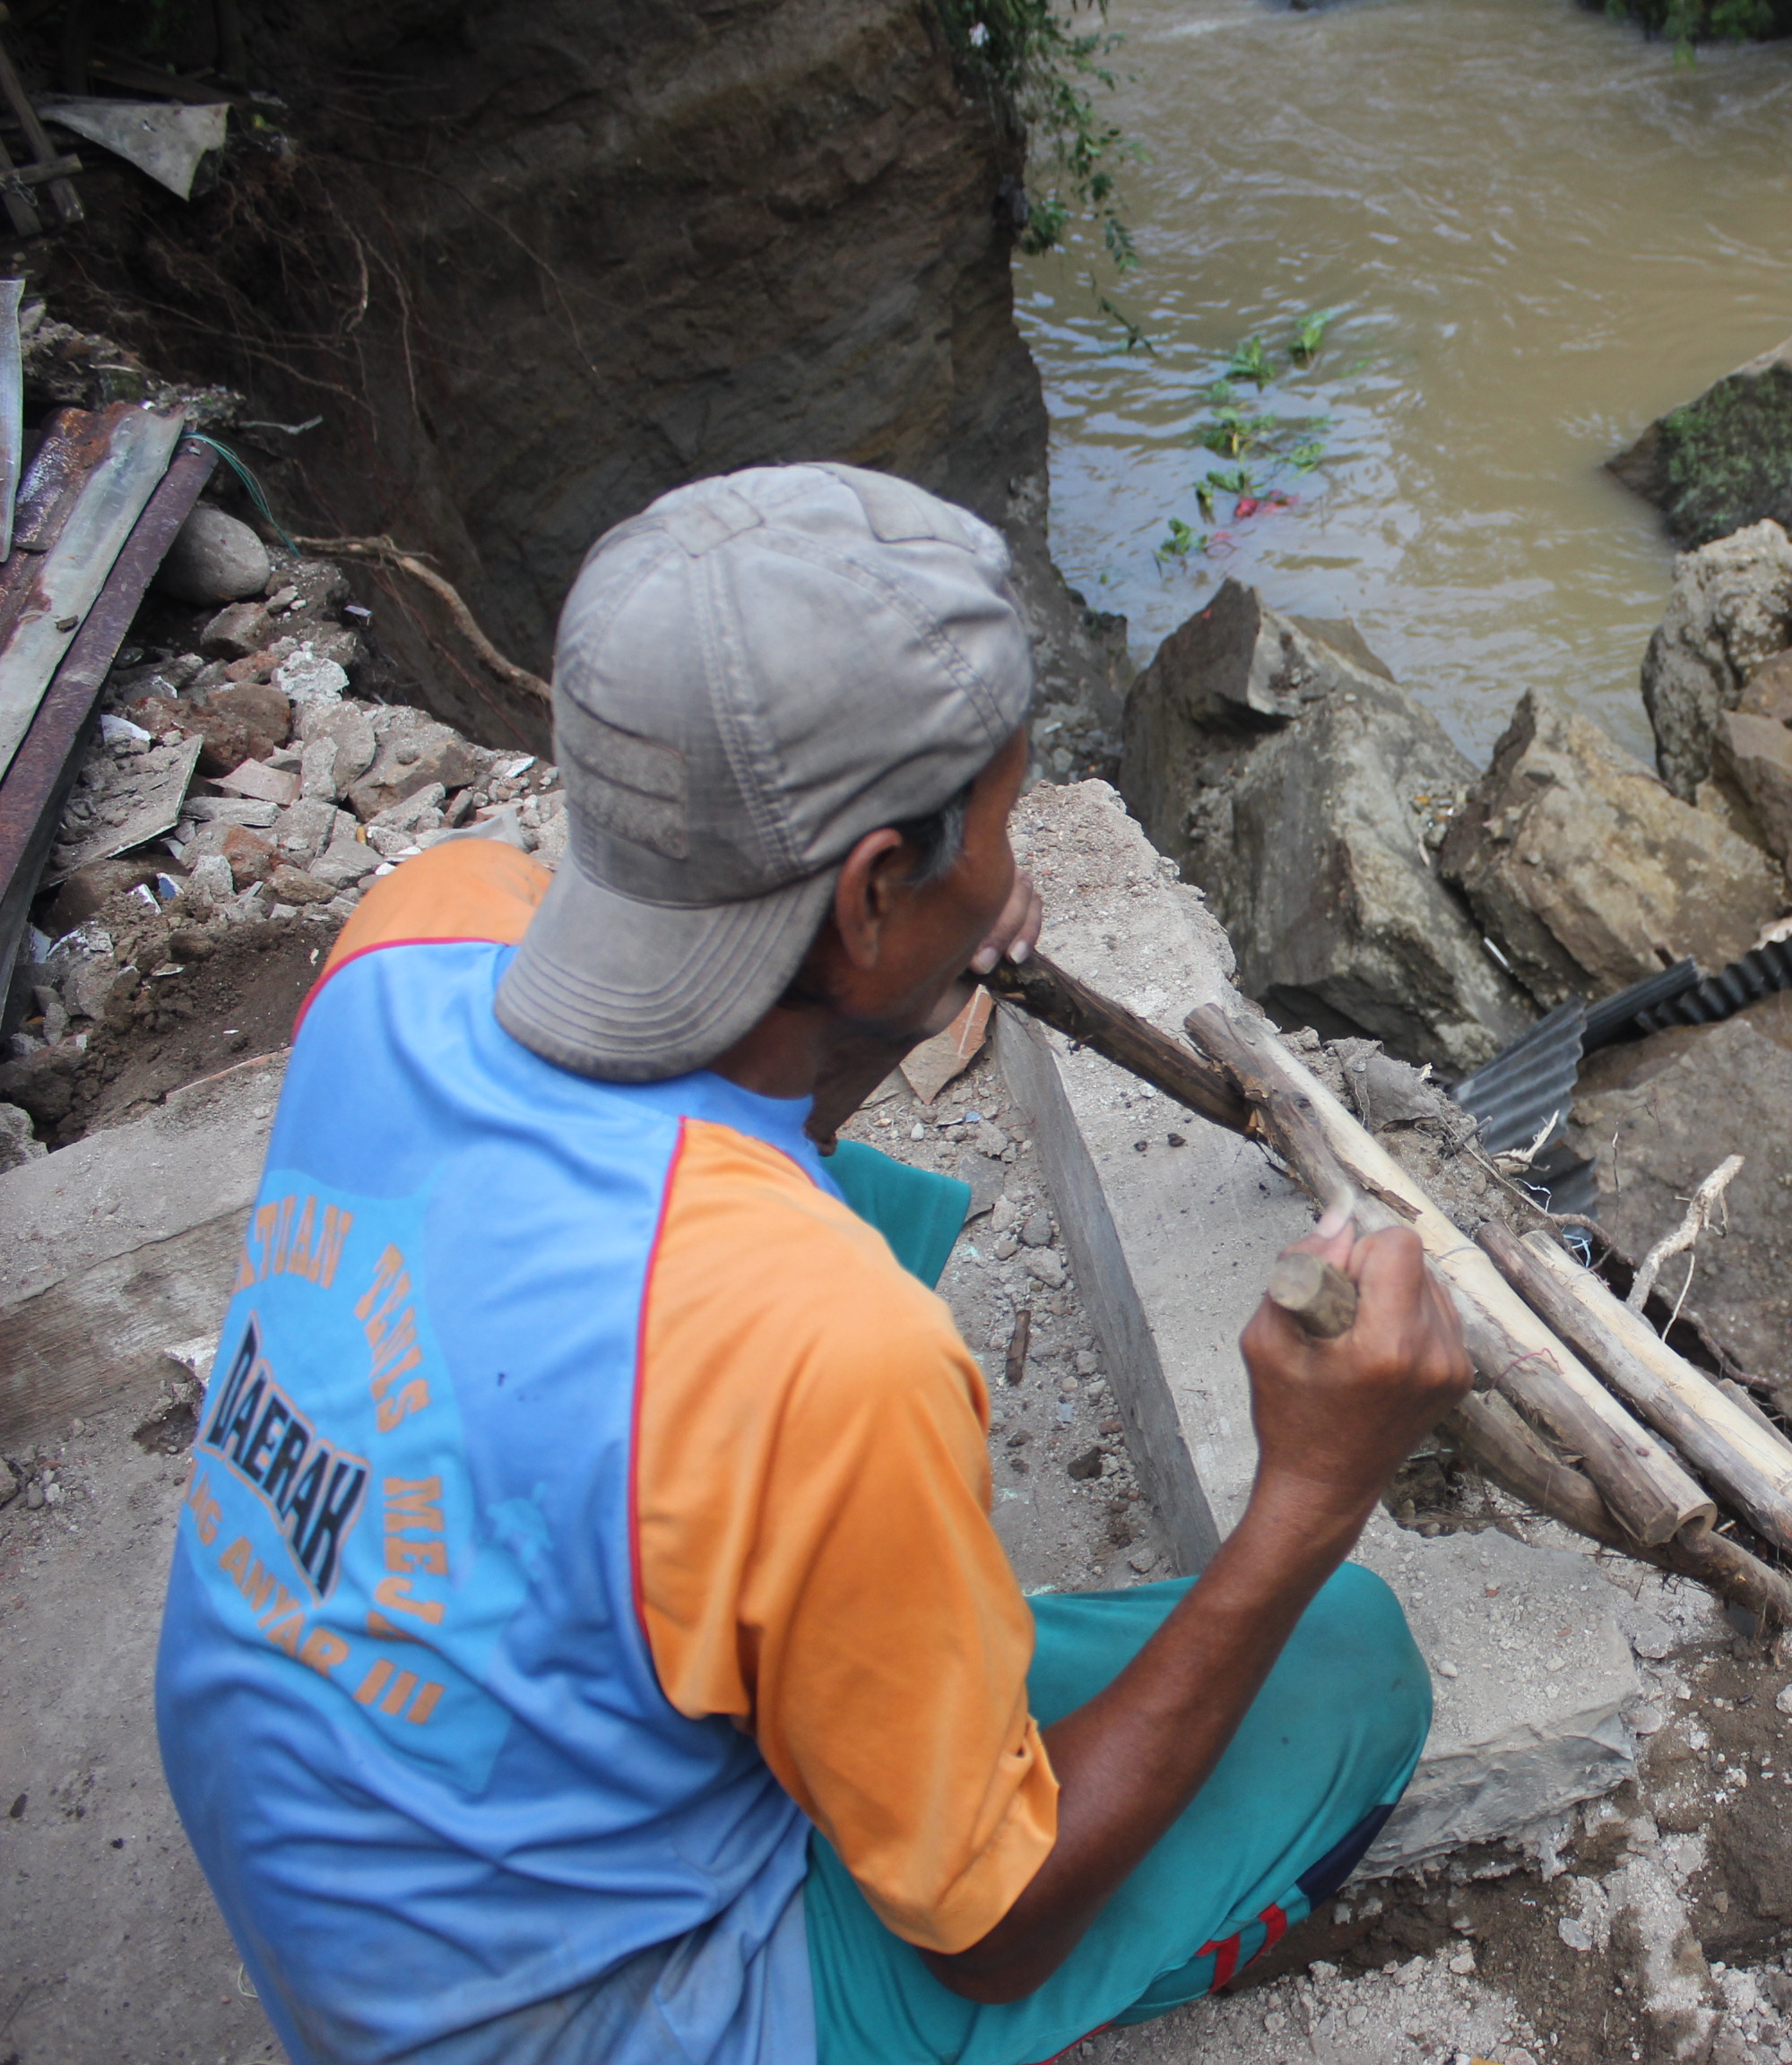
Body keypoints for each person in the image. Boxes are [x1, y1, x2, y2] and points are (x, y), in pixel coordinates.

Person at [154, 463, 1474, 2065]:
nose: (1007, 870)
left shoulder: (415, 935)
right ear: (867, 893)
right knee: (1345, 1661)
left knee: (858, 1329)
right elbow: (994, 1927)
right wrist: (1310, 1493)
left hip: (342, 1870)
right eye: (994, 827)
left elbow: (726, 1091)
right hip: (569, 2015)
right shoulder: (828, 1355)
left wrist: (917, 950)